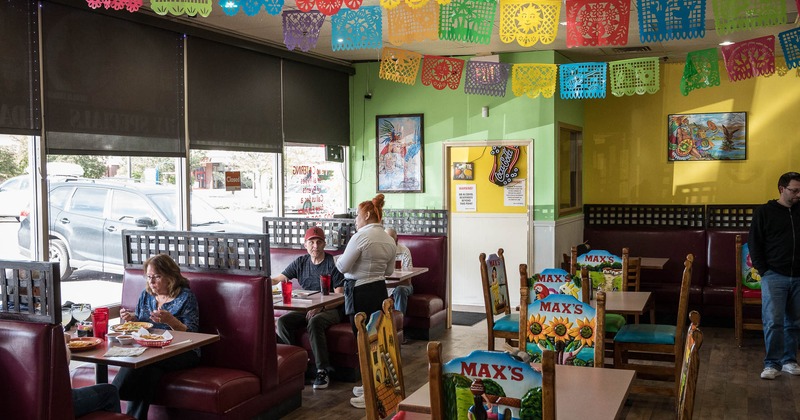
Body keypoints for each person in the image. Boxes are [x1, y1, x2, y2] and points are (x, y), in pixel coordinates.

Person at [114, 254, 201, 419]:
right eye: (149, 277)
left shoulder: (186, 297)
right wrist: (133, 319)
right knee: (150, 373)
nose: (151, 282)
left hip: (183, 351)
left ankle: (113, 393)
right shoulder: (146, 296)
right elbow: (142, 325)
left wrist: (171, 321)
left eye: (157, 277)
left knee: (142, 360)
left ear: (170, 277)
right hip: (152, 350)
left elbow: (193, 335)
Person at [335, 194, 396, 409]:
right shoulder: (389, 239)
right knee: (376, 341)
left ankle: (370, 392)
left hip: (359, 291)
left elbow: (342, 267)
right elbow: (389, 271)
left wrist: (339, 259)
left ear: (367, 214)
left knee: (362, 342)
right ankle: (371, 383)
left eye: (357, 217)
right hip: (379, 291)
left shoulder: (360, 237)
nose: (356, 221)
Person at [270, 226, 345, 390]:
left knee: (315, 322)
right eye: (311, 242)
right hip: (306, 308)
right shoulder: (301, 262)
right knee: (283, 322)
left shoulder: (332, 264)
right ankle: (296, 366)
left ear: (324, 244)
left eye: (319, 242)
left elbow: (340, 297)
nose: (315, 246)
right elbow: (279, 279)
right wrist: (261, 281)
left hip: (332, 309)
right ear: (305, 245)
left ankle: (322, 370)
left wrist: (321, 307)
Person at [748, 171, 800, 380]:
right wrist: (764, 271)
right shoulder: (765, 212)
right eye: (794, 190)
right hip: (774, 276)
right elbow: (754, 243)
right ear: (781, 189)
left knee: (795, 322)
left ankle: (790, 361)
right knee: (773, 321)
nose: (798, 195)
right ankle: (772, 364)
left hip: (798, 276)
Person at [65, 334, 123, 417]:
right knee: (110, 391)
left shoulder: (40, 331)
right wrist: (60, 342)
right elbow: (64, 360)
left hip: (41, 403)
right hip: (59, 402)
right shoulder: (50, 335)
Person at [386, 227, 414, 315]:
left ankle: (399, 324)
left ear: (397, 240)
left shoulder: (404, 251)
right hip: (384, 286)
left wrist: (385, 285)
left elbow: (407, 280)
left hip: (403, 285)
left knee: (400, 290)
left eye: (391, 240)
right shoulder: (380, 251)